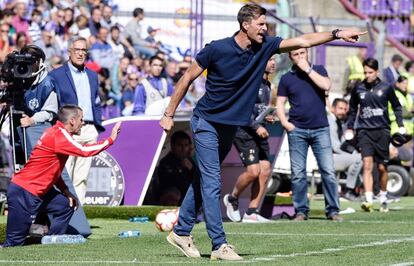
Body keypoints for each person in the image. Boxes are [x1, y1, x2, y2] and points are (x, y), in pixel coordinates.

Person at [159, 3, 365, 261]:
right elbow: (187, 77)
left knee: (203, 180)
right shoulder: (217, 49)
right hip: (206, 123)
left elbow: (303, 39)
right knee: (212, 182)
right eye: (261, 24)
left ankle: (181, 231)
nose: (265, 28)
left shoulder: (265, 45)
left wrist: (336, 33)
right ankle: (219, 245)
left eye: (266, 24)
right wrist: (168, 113)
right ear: (245, 25)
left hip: (228, 127)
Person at [2, 105, 121, 247]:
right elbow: (84, 150)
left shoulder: (57, 132)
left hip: (38, 191)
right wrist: (111, 139)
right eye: (81, 119)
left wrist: (66, 191)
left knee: (65, 205)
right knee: (13, 245)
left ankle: (52, 241)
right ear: (72, 121)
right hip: (24, 192)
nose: (83, 122)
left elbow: (54, 171)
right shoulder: (60, 135)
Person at [276, 48, 343, 222]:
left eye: (302, 53)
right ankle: (301, 211)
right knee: (298, 173)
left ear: (307, 54)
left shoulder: (319, 69)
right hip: (297, 130)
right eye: (295, 55)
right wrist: (285, 122)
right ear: (290, 58)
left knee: (328, 171)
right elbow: (280, 103)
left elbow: (326, 85)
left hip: (320, 128)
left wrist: (308, 69)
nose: (299, 57)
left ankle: (333, 210)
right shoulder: (286, 78)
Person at [345, 58, 405, 213]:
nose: (367, 75)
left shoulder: (386, 88)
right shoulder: (358, 89)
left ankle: (383, 197)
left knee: (382, 168)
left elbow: (397, 107)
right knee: (367, 164)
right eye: (365, 72)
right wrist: (350, 127)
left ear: (377, 72)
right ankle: (369, 200)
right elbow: (352, 110)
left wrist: (400, 124)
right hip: (364, 131)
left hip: (382, 131)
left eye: (370, 72)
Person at [50, 36, 103, 206]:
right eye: (77, 50)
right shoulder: (56, 75)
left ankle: (76, 215)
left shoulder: (93, 76)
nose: (80, 54)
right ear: (69, 52)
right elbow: (53, 103)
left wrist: (97, 125)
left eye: (83, 50)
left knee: (82, 177)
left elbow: (96, 102)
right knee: (64, 174)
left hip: (88, 129)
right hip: (68, 130)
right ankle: (62, 212)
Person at [223, 55, 276, 223]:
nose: (273, 63)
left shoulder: (267, 84)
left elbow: (256, 109)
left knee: (265, 169)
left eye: (274, 59)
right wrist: (256, 126)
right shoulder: (250, 82)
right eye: (270, 59)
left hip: (258, 130)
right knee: (253, 171)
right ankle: (232, 198)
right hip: (244, 132)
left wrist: (266, 117)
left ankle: (252, 212)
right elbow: (240, 109)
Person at [328, 98, 362, 201]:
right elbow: (336, 147)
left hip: (334, 156)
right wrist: (353, 155)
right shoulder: (330, 121)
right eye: (340, 108)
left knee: (358, 158)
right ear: (333, 108)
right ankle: (349, 191)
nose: (343, 112)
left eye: (344, 109)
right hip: (328, 159)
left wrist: (353, 152)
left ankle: (351, 191)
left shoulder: (337, 121)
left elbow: (343, 143)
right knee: (359, 159)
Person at [158, 131, 196, 206]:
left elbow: (199, 180)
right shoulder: (166, 162)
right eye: (180, 145)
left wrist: (192, 169)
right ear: (172, 146)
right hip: (173, 201)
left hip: (190, 199)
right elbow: (168, 183)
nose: (183, 149)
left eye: (186, 145)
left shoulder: (190, 161)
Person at [388, 76, 413, 166]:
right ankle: (399, 174)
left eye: (407, 83)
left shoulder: (408, 96)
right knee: (399, 155)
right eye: (403, 83)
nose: (405, 86)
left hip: (408, 131)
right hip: (397, 130)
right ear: (397, 84)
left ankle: (407, 176)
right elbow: (403, 112)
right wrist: (411, 111)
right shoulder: (396, 95)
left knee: (408, 157)